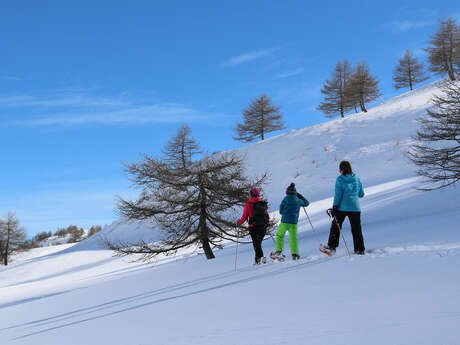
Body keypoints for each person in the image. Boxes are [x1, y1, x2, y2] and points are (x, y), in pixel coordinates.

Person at [322, 161, 365, 255]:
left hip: (342, 207)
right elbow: (361, 194)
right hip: (355, 208)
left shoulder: (340, 179)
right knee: (356, 229)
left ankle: (332, 248)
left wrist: (334, 207)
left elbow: (338, 194)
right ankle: (360, 249)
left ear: (341, 169)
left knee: (336, 227)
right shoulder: (357, 178)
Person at [272, 183, 309, 261]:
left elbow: (281, 211)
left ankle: (279, 251)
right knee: (293, 238)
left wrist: (285, 212)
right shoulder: (298, 200)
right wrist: (300, 196)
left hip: (284, 221)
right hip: (293, 222)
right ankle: (295, 254)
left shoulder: (285, 199)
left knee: (279, 236)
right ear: (295, 192)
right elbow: (306, 203)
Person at [237, 187, 269, 264]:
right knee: (258, 244)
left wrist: (238, 223)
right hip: (263, 226)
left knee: (256, 244)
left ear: (251, 195)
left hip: (253, 227)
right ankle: (257, 260)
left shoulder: (248, 204)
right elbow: (267, 215)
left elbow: (244, 217)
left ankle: (261, 258)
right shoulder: (262, 203)